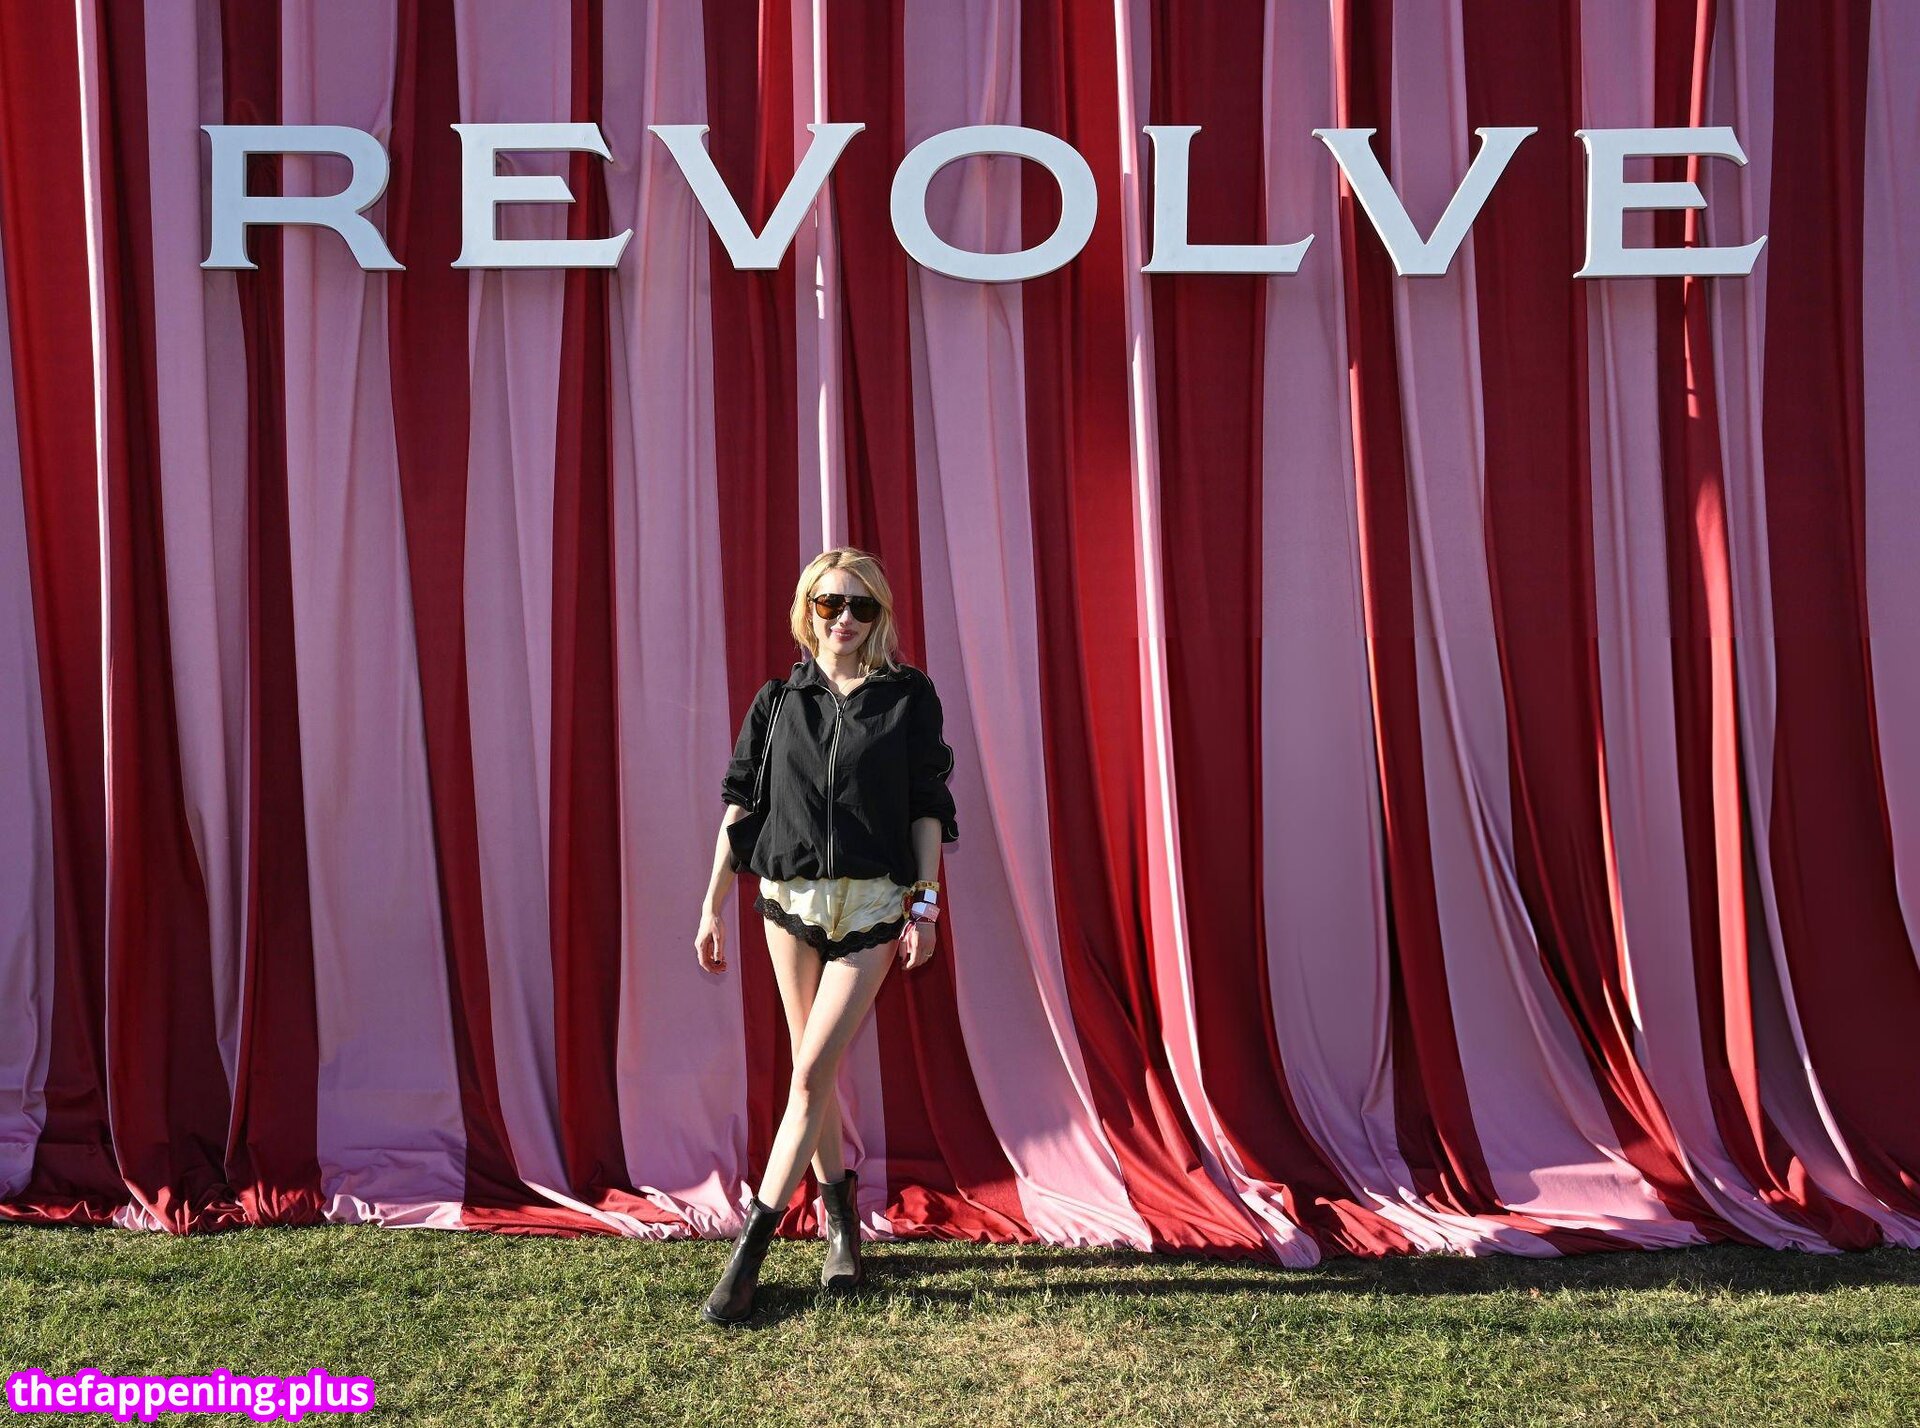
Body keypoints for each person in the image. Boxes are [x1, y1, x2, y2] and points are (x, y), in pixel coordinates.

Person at [693, 547, 958, 1327]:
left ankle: (749, 1255)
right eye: (830, 603)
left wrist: (925, 908)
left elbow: (926, 809)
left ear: (880, 615)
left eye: (861, 606)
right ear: (807, 610)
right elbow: (741, 805)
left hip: (872, 906)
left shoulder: (908, 697)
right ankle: (842, 1227)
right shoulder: (779, 701)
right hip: (788, 903)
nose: (845, 618)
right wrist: (711, 904)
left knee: (808, 1075)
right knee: (817, 1073)